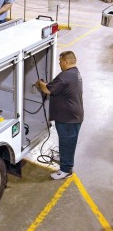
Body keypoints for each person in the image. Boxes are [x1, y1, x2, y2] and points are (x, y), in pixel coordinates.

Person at [36, 51, 84, 180]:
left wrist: (39, 83)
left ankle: (65, 170)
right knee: (66, 140)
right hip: (72, 115)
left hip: (69, 118)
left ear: (66, 61)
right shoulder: (75, 73)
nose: (59, 63)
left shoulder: (65, 76)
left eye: (60, 61)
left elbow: (47, 89)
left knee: (67, 141)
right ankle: (64, 158)